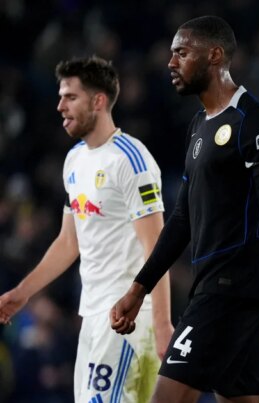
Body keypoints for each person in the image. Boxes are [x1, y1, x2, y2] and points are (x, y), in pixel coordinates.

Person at [109, 16, 259, 403]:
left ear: (214, 55)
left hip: (229, 293)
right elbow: (182, 219)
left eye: (182, 52)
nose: (171, 62)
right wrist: (139, 290)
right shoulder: (199, 125)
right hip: (217, 290)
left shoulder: (255, 121)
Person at [0, 56, 172, 403]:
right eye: (60, 97)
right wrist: (23, 292)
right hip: (93, 315)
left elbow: (157, 247)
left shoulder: (131, 160)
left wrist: (162, 324)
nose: (60, 106)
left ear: (98, 101)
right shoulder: (75, 159)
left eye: (70, 97)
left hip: (128, 317)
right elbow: (69, 242)